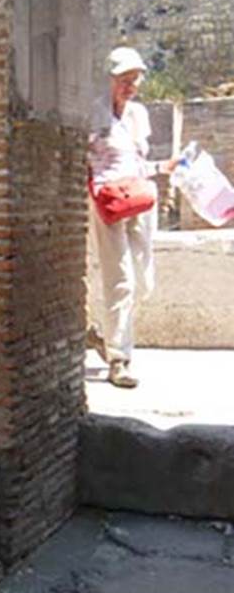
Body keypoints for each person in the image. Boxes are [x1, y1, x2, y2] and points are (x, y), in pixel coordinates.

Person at [87, 47, 177, 388]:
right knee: (119, 279)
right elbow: (80, 156)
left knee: (144, 282)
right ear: (109, 79)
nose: (130, 85)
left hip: (139, 197)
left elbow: (139, 161)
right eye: (124, 79)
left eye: (134, 79)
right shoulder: (94, 114)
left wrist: (163, 168)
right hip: (109, 201)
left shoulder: (139, 115)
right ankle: (119, 358)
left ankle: (100, 330)